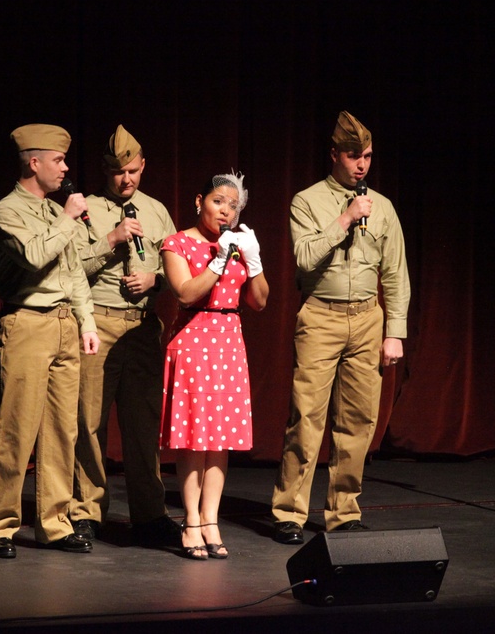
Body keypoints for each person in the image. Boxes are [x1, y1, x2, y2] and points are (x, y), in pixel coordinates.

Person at [271, 111, 410, 544]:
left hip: (368, 318)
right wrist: (346, 218)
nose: (361, 164)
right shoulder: (307, 201)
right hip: (321, 316)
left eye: (367, 156)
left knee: (359, 420)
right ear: (334, 155)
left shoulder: (383, 207)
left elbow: (396, 274)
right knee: (307, 418)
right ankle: (289, 512)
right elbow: (305, 257)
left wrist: (395, 331)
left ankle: (343, 511)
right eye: (353, 156)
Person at [0, 123, 100, 559]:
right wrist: (69, 218)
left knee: (61, 432)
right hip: (27, 324)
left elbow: (73, 274)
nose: (65, 168)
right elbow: (34, 257)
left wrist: (87, 322)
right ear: (34, 162)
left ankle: (54, 523)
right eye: (58, 160)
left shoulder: (55, 212)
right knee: (17, 429)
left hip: (66, 324)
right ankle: (0, 525)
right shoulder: (6, 211)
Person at [69, 124, 181, 547]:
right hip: (96, 321)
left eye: (132, 171)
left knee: (142, 423)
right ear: (105, 171)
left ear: (143, 167)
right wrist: (110, 240)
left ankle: (149, 515)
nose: (126, 180)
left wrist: (155, 282)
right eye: (118, 172)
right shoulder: (85, 209)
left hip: (142, 325)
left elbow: (178, 271)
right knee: (89, 421)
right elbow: (70, 269)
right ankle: (87, 513)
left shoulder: (156, 211)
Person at [160, 172, 269, 560]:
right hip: (194, 337)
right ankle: (190, 521)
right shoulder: (177, 243)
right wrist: (220, 259)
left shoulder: (237, 244)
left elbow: (259, 301)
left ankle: (211, 520)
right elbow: (186, 292)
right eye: (218, 201)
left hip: (229, 338)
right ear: (198, 201)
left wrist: (252, 262)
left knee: (221, 439)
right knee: (193, 437)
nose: (226, 211)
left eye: (233, 205)